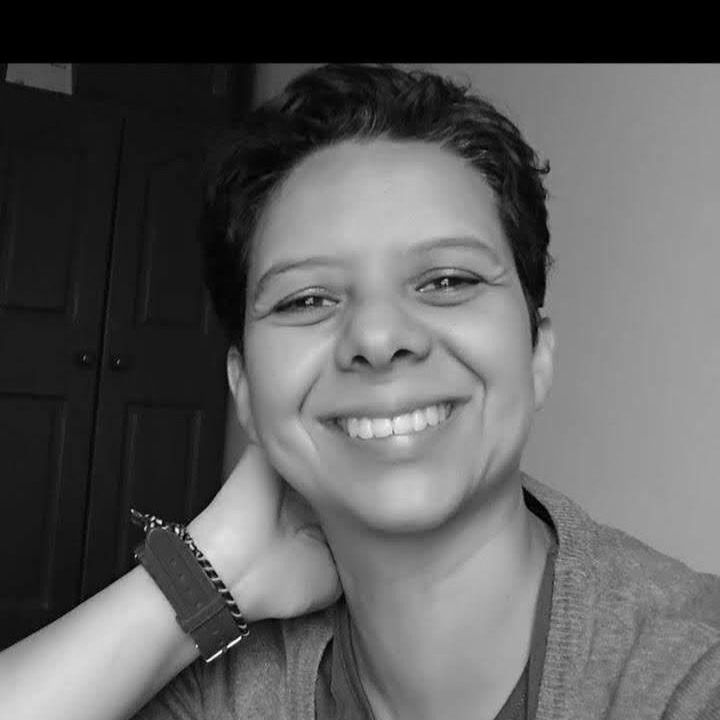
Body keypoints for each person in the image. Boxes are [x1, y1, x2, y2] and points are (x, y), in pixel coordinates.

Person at [1, 63, 719, 720]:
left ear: (537, 354)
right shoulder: (226, 684)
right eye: (307, 299)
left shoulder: (685, 671)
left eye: (448, 280)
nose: (377, 337)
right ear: (245, 389)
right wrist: (204, 572)